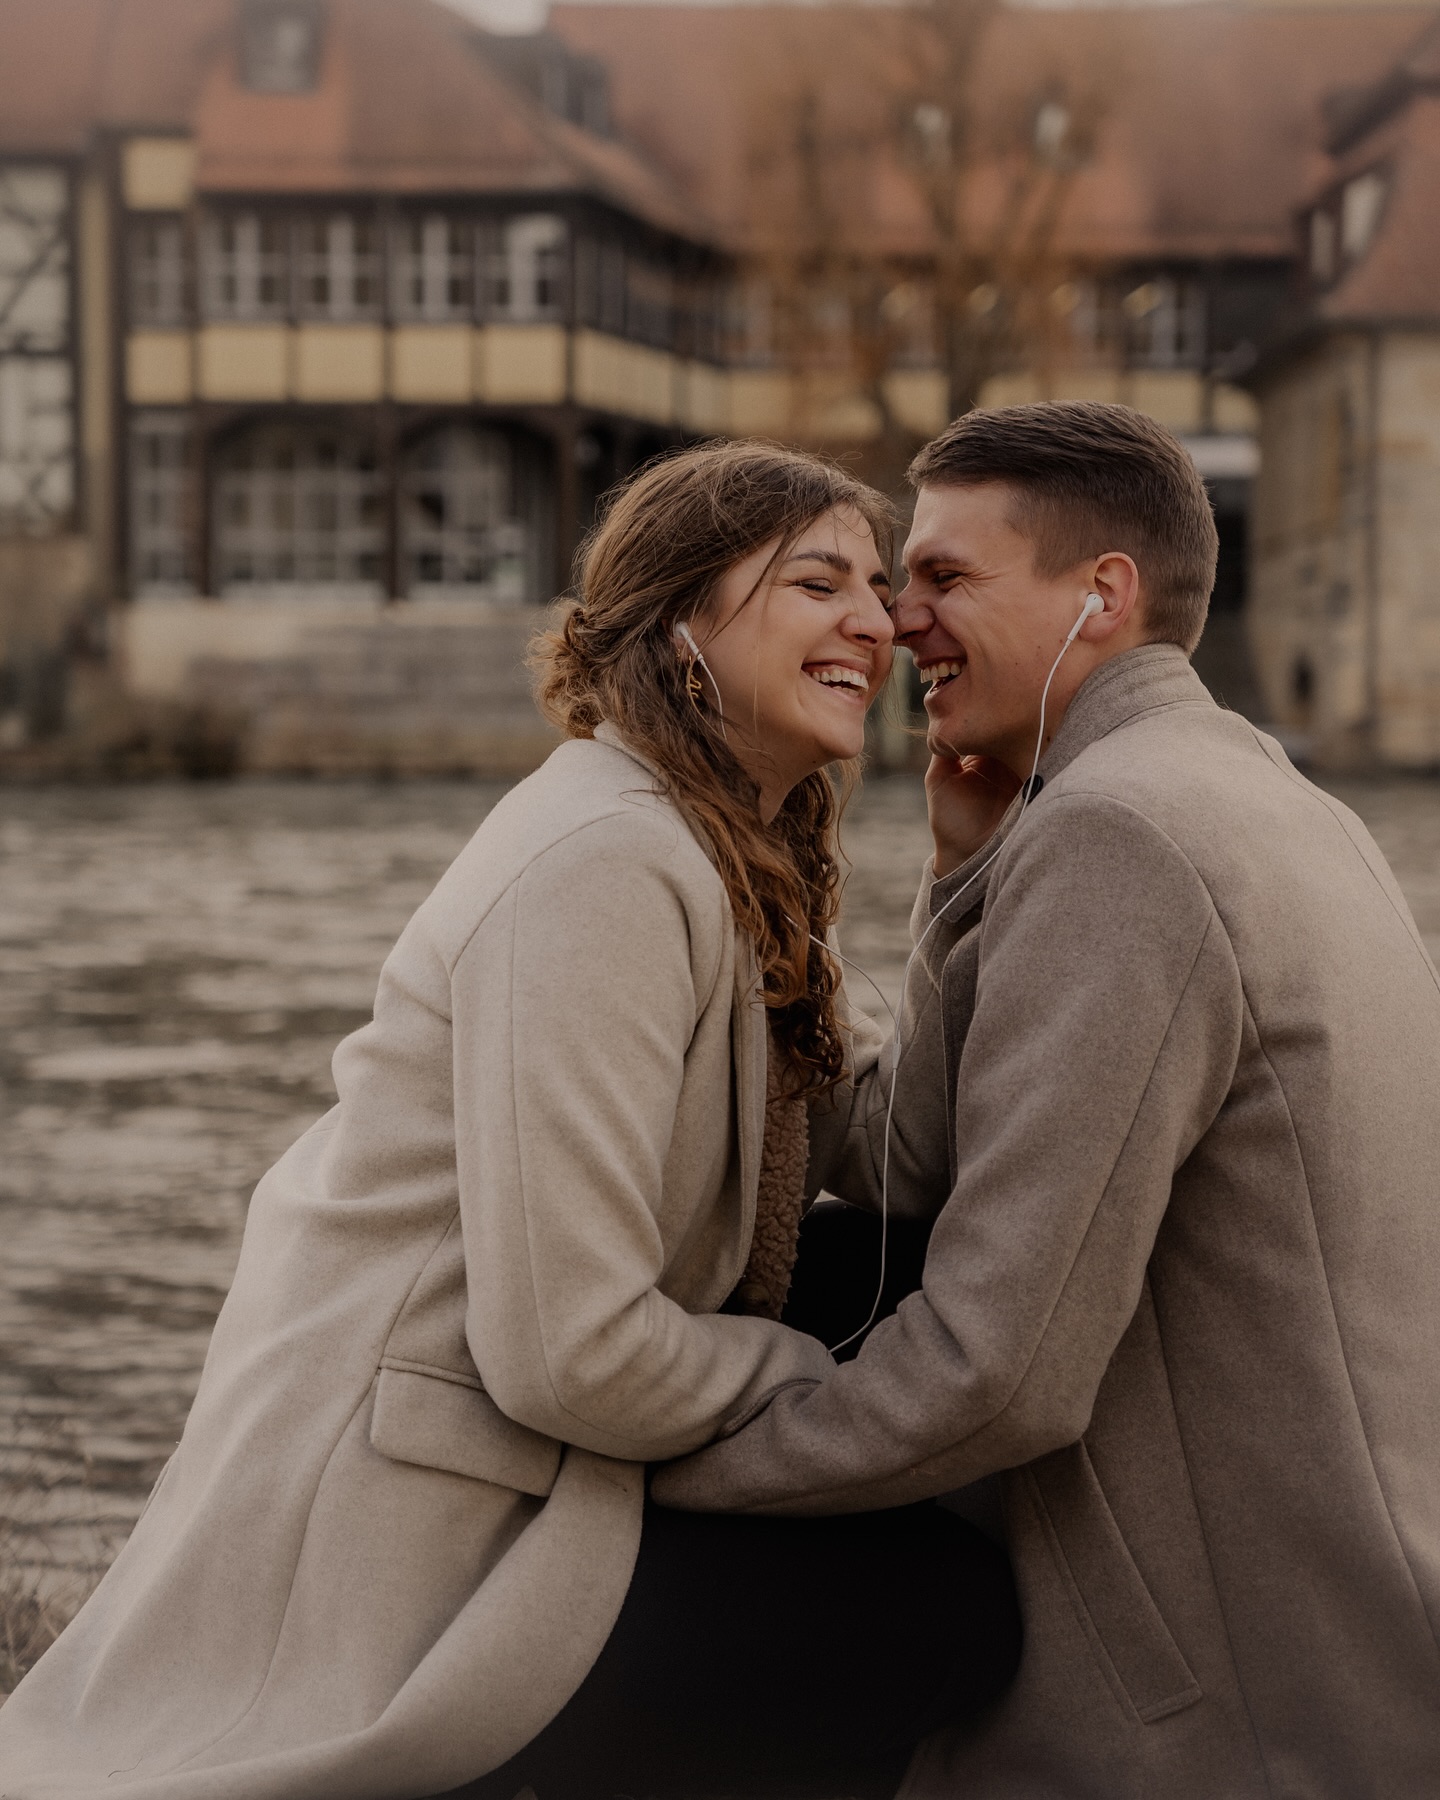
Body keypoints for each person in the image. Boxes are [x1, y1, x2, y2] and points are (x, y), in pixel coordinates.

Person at [0, 442, 1020, 1800]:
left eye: (878, 586)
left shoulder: (726, 851)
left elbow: (902, 1157)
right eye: (818, 583)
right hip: (426, 1515)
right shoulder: (607, 865)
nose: (876, 621)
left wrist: (967, 877)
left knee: (889, 1292)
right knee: (936, 1616)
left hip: (526, 1443)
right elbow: (567, 1356)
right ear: (681, 628)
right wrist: (818, 1393)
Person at [654, 403, 1440, 1798]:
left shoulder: (1121, 838)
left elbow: (994, 1376)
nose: (897, 624)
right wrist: (962, 882)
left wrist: (656, 1465)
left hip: (1224, 1714)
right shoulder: (1262, 795)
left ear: (1104, 595)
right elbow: (915, 1166)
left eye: (945, 578)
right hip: (1359, 1634)